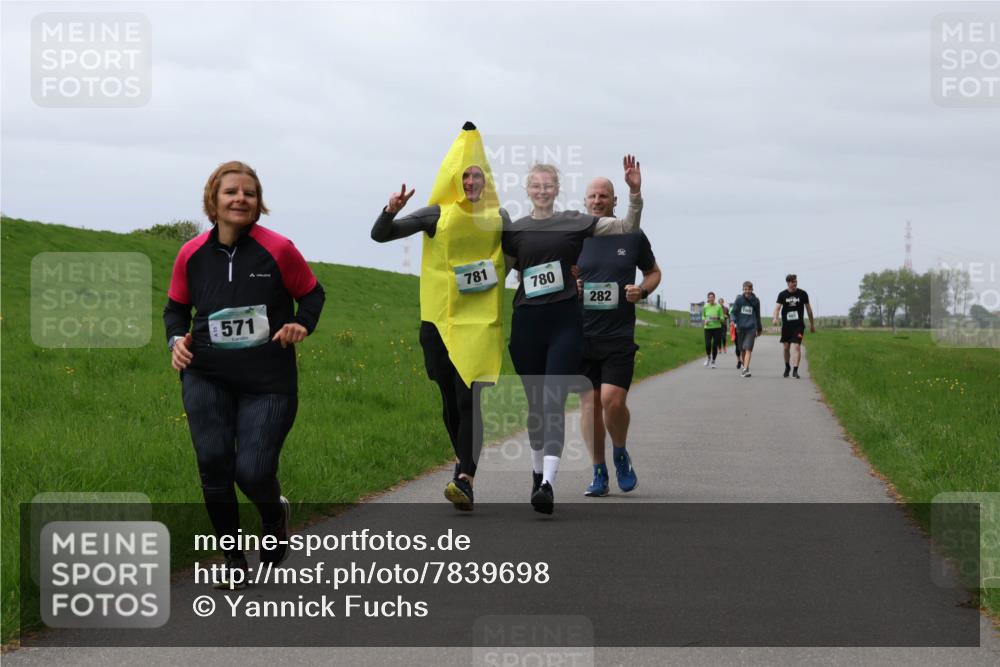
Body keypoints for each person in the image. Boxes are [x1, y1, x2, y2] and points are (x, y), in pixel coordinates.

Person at [164, 161, 326, 588]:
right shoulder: (191, 254)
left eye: (249, 194)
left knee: (252, 471)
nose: (240, 199)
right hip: (206, 374)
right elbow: (175, 309)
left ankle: (274, 514)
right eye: (231, 192)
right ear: (213, 200)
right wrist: (176, 340)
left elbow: (311, 293)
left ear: (258, 204)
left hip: (267, 381)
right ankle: (233, 561)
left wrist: (301, 324)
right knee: (213, 463)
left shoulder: (279, 249)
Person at [371, 122, 509, 511]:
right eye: (464, 175)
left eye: (476, 175)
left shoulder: (499, 215)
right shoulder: (436, 214)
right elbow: (381, 236)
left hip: (479, 323)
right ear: (454, 178)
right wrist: (390, 211)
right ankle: (463, 465)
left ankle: (465, 478)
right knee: (449, 400)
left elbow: (526, 248)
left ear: (487, 179)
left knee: (470, 400)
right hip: (437, 321)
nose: (470, 181)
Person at [504, 157, 643, 514]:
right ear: (528, 190)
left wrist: (634, 192)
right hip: (526, 326)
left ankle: (549, 483)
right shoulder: (515, 230)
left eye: (548, 185)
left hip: (567, 326)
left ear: (557, 189)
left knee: (553, 402)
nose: (542, 190)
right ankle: (538, 475)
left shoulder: (575, 222)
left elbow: (626, 224)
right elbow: (498, 274)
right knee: (537, 406)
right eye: (536, 185)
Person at [576, 176, 661, 497]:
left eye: (604, 196)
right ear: (585, 202)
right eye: (592, 196)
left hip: (618, 335)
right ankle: (598, 471)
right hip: (582, 334)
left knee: (612, 401)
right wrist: (574, 287)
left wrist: (642, 290)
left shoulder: (632, 234)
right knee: (589, 404)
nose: (597, 201)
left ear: (614, 201)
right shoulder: (576, 236)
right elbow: (561, 273)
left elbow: (653, 272)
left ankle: (620, 452)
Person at [772, 273, 815, 379]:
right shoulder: (782, 294)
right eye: (792, 282)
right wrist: (775, 318)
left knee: (797, 346)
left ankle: (795, 370)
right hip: (786, 326)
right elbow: (777, 308)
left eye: (795, 281)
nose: (794, 283)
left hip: (798, 326)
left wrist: (812, 324)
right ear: (788, 283)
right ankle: (787, 367)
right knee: (786, 347)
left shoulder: (803, 294)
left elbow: (809, 310)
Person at [731, 281, 762, 378]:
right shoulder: (739, 300)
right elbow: (733, 312)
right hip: (740, 328)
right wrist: (733, 320)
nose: (747, 291)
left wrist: (759, 328)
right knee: (743, 349)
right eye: (745, 289)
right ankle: (745, 366)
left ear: (752, 289)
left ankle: (745, 369)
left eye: (749, 289)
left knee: (748, 348)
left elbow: (757, 315)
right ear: (743, 289)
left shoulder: (756, 301)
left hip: (751, 328)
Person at [701, 292, 725, 369]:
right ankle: (708, 357)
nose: (711, 298)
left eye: (712, 297)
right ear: (708, 298)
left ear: (714, 298)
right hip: (707, 328)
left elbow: (722, 318)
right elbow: (703, 317)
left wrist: (717, 318)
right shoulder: (705, 307)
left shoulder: (718, 307)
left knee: (715, 345)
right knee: (708, 345)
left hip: (717, 328)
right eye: (709, 297)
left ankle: (713, 361)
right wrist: (705, 321)